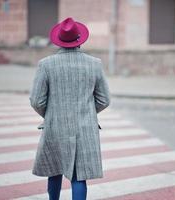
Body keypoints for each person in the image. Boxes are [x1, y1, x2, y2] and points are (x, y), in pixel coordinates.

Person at [29, 17, 110, 200]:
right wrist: (87, 112)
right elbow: (104, 99)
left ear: (59, 40)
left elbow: (36, 100)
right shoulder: (94, 64)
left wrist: (51, 114)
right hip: (84, 129)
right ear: (79, 39)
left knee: (54, 169)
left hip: (55, 126)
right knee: (78, 176)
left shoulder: (46, 64)